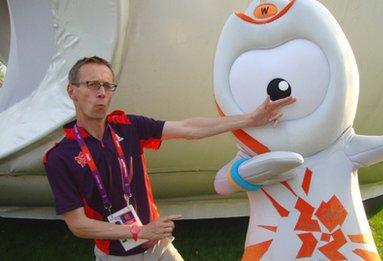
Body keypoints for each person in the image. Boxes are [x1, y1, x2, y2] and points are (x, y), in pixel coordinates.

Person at [43, 56, 295, 260]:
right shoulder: (60, 157)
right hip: (117, 255)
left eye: (107, 86)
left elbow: (189, 128)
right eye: (92, 84)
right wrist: (138, 230)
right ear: (72, 91)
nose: (101, 93)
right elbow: (78, 225)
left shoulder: (127, 126)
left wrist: (251, 119)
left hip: (158, 246)